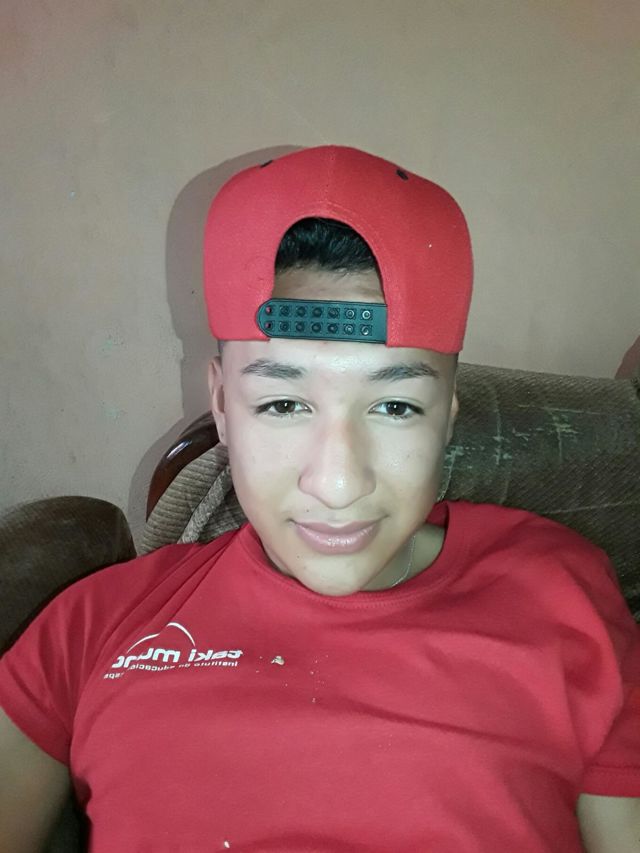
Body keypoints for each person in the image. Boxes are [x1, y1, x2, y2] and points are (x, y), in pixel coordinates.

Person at [1, 146, 639, 852]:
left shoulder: (562, 593)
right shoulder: (89, 625)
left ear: (448, 415)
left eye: (395, 406)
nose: (337, 483)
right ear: (222, 404)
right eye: (282, 404)